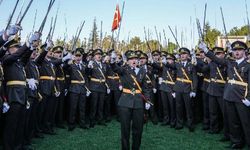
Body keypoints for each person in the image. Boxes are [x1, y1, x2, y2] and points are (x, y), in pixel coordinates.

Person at [199, 41, 250, 149]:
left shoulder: (248, 65)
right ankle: (236, 141)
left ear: (244, 51)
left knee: (245, 122)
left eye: (240, 50)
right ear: (232, 52)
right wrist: (207, 50)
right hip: (228, 95)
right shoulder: (229, 62)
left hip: (242, 97)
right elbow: (216, 59)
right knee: (233, 121)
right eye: (235, 50)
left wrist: (248, 98)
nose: (237, 52)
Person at [3, 32, 40, 150]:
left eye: (18, 48)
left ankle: (18, 146)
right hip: (13, 95)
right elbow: (17, 55)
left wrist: (32, 46)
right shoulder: (6, 59)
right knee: (11, 125)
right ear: (9, 49)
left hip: (22, 95)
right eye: (15, 47)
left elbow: (24, 56)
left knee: (20, 123)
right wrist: (27, 43)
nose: (18, 50)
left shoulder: (19, 63)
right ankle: (8, 146)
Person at [110, 50, 151, 150]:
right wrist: (112, 60)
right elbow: (115, 68)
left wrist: (147, 100)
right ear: (127, 61)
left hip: (138, 103)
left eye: (135, 59)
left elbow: (145, 88)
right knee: (125, 129)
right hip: (125, 102)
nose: (133, 61)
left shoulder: (142, 71)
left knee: (138, 129)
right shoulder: (123, 70)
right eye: (131, 59)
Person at [165, 47, 198, 132]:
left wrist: (194, 90)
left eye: (184, 54)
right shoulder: (177, 64)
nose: (182, 55)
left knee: (189, 108)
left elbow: (195, 78)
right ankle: (179, 123)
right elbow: (169, 65)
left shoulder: (191, 65)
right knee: (178, 107)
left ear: (188, 55)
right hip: (178, 88)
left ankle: (190, 124)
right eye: (181, 54)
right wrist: (164, 60)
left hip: (187, 89)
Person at [67, 48, 90, 131]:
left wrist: (87, 88)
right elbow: (66, 69)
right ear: (74, 56)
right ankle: (71, 123)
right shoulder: (71, 65)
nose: (78, 57)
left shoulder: (84, 65)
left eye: (79, 56)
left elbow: (86, 77)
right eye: (76, 56)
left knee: (82, 107)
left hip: (83, 89)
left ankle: (82, 123)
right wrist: (69, 61)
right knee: (73, 107)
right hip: (74, 88)